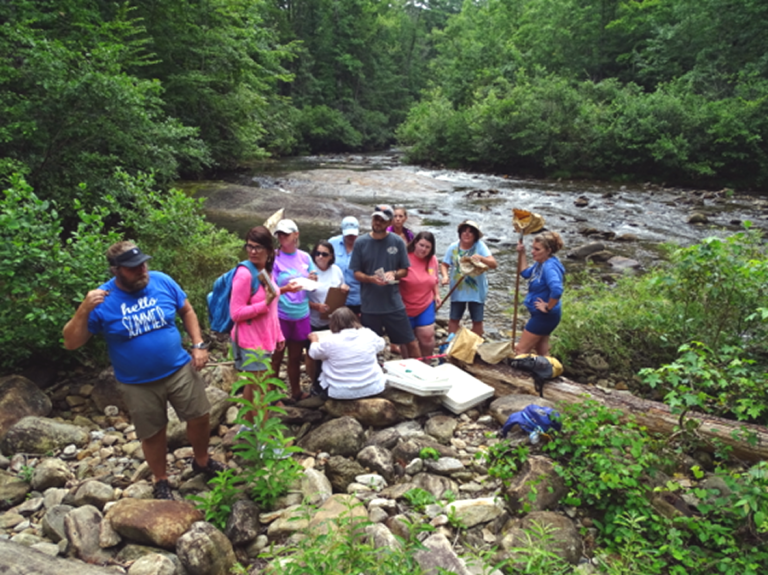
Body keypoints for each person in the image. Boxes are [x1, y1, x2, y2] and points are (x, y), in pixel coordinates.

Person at [62, 241, 224, 500]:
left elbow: (187, 310)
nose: (142, 270)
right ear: (116, 270)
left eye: (143, 264)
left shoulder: (161, 281)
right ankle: (161, 479)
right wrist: (83, 309)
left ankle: (202, 461)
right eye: (133, 267)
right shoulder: (102, 301)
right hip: (137, 382)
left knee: (200, 415)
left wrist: (198, 344)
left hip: (179, 368)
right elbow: (71, 342)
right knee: (153, 431)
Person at [350, 204, 421, 359]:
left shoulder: (397, 242)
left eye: (382, 220)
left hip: (393, 304)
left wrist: (394, 274)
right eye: (376, 219)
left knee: (410, 342)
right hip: (370, 306)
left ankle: (418, 374)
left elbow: (405, 270)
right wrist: (370, 279)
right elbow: (356, 273)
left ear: (389, 223)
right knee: (369, 346)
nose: (378, 223)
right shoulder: (361, 242)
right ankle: (371, 376)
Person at [230, 226, 285, 424]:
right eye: (249, 246)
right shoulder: (244, 275)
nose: (253, 251)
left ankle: (247, 427)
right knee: (261, 389)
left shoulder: (267, 271)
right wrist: (263, 305)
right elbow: (235, 313)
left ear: (269, 251)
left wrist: (278, 335)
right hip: (250, 341)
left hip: (264, 338)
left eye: (258, 247)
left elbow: (273, 309)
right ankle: (263, 441)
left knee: (253, 385)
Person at [270, 219, 316, 402]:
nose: (282, 238)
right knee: (276, 357)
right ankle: (272, 395)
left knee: (295, 357)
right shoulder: (273, 257)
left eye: (286, 234)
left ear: (295, 235)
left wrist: (312, 277)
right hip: (281, 313)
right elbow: (269, 286)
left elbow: (313, 278)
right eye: (279, 234)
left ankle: (296, 392)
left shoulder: (305, 257)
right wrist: (286, 288)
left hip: (301, 313)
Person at [307, 307, 386, 399]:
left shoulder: (330, 340)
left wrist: (314, 341)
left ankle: (317, 389)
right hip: (373, 387)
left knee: (322, 358)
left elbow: (314, 354)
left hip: (339, 391)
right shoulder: (368, 333)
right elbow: (381, 344)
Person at [440, 220, 498, 336]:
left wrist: (481, 258)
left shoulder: (480, 246)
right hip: (458, 289)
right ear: (460, 233)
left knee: (477, 319)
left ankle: (475, 346)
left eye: (471, 232)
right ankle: (450, 343)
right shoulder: (453, 247)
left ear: (475, 235)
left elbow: (493, 264)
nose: (467, 234)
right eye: (464, 231)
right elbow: (444, 264)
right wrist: (445, 276)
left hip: (476, 290)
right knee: (454, 318)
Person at [514, 231, 565, 356]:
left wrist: (548, 307)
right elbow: (525, 273)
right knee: (541, 351)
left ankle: (519, 375)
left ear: (548, 250)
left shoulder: (549, 267)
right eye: (532, 248)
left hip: (544, 317)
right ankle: (547, 373)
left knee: (520, 350)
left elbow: (557, 289)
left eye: (537, 249)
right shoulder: (540, 263)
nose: (533, 251)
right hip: (545, 317)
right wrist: (522, 253)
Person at [399, 231, 441, 358]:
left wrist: (437, 294)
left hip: (425, 303)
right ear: (415, 243)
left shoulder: (433, 260)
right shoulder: (404, 258)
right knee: (407, 340)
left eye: (428, 247)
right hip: (405, 305)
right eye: (421, 245)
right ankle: (407, 365)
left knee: (427, 337)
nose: (424, 250)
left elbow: (434, 280)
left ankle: (426, 363)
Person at [308, 240, 348, 331]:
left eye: (324, 254)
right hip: (311, 321)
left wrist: (344, 289)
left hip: (332, 320)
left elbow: (342, 289)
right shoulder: (308, 270)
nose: (320, 257)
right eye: (317, 253)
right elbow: (299, 299)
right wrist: (315, 306)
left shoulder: (336, 270)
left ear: (331, 256)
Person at [328, 216, 362, 315]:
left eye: (353, 234)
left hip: (357, 298)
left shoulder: (365, 245)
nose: (351, 237)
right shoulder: (332, 243)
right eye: (348, 234)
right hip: (336, 296)